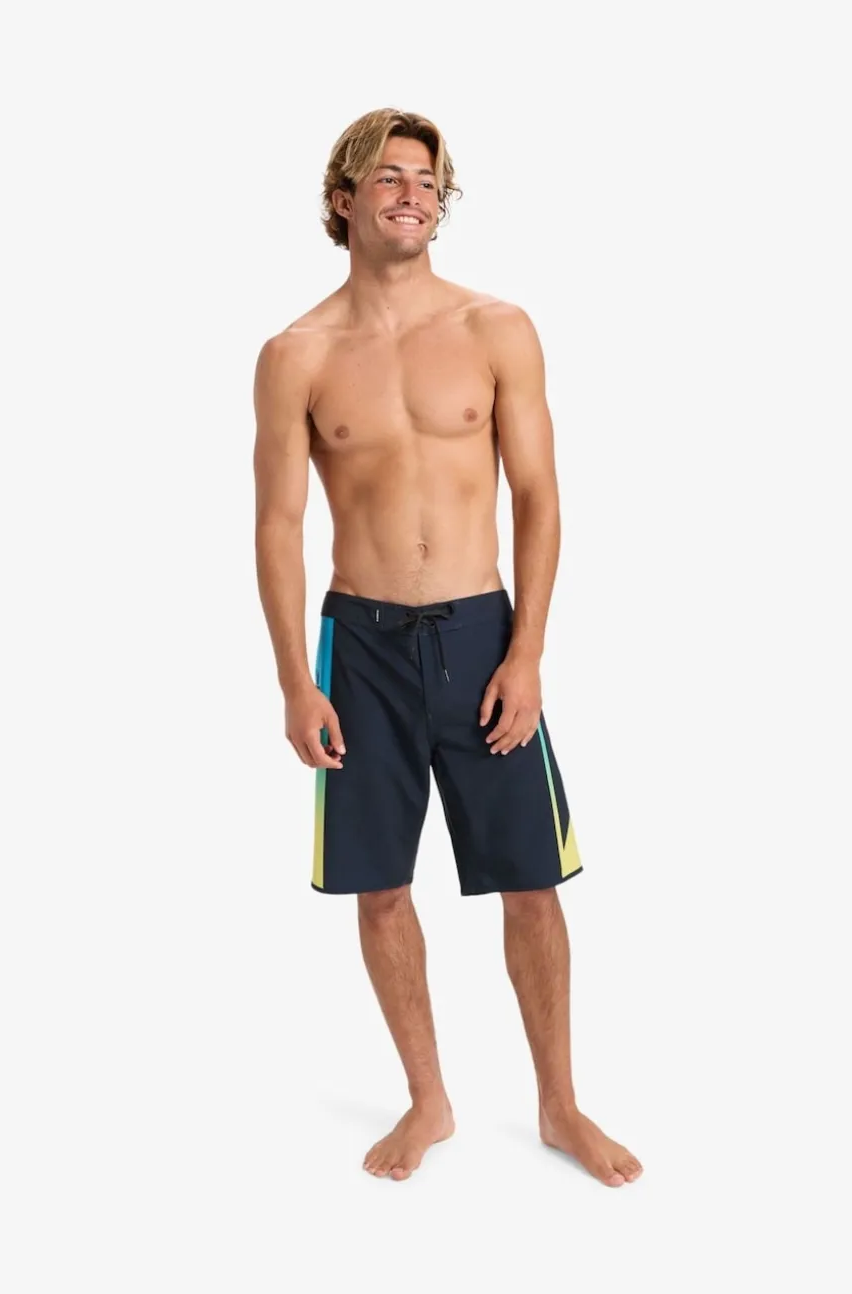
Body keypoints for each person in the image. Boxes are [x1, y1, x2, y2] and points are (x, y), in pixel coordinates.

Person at [253, 108, 643, 1188]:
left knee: (532, 881)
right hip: (360, 644)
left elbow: (540, 498)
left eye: (427, 180)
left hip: (480, 633)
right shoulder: (295, 355)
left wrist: (528, 653)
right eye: (388, 177)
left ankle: (559, 1104)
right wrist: (294, 681)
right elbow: (277, 525)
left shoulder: (495, 328)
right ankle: (429, 1100)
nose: (412, 194)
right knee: (379, 887)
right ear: (343, 201)